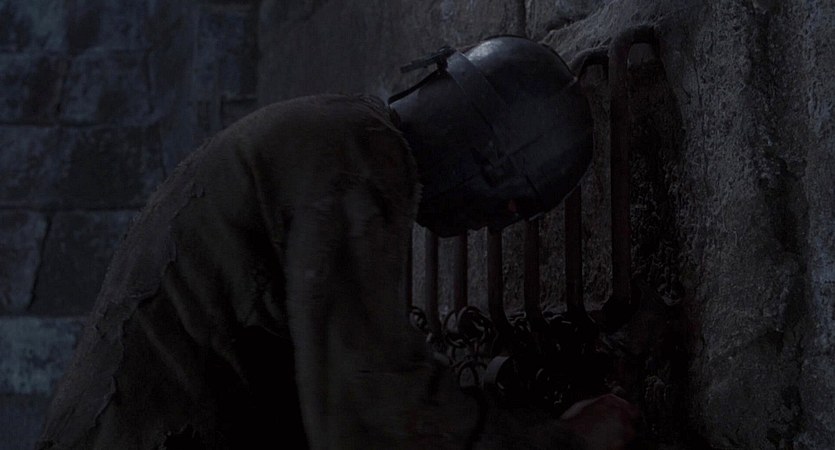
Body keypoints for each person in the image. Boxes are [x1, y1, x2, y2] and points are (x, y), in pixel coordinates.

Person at [38, 36, 637, 449]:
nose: (492, 225)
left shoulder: (336, 132)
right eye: (507, 208)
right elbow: (372, 416)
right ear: (492, 157)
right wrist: (561, 442)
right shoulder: (358, 158)